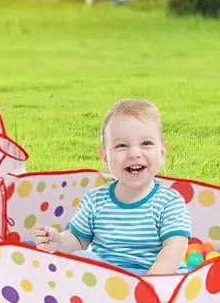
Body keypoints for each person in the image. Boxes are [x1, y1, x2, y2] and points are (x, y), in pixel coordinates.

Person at [33, 99, 191, 276]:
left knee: (181, 281)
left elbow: (175, 247)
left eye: (146, 143)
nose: (134, 153)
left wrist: (150, 284)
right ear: (105, 157)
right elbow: (78, 240)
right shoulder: (95, 201)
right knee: (81, 258)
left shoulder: (170, 202)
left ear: (162, 153)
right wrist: (59, 241)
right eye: (121, 146)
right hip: (109, 282)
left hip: (155, 279)